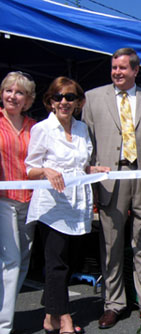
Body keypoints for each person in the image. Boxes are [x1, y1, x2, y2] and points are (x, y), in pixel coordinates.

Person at [82, 47, 141, 328]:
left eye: (123, 68)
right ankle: (114, 304)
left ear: (136, 70)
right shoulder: (93, 98)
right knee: (111, 244)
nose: (117, 72)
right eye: (114, 68)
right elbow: (85, 141)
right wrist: (88, 168)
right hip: (110, 178)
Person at [25, 77, 109, 334]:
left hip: (78, 205)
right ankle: (65, 321)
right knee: (57, 264)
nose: (64, 102)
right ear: (50, 102)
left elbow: (80, 165)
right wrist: (46, 171)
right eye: (58, 97)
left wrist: (94, 169)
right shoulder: (42, 129)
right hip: (53, 206)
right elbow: (30, 169)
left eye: (70, 97)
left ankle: (50, 316)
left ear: (78, 102)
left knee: (72, 263)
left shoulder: (82, 129)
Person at [0, 71, 36, 334]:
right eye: (8, 90)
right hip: (4, 200)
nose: (12, 96)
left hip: (30, 200)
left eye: (19, 92)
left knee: (22, 261)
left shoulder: (34, 127)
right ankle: (4, 326)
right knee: (11, 261)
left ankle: (5, 312)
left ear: (28, 99)